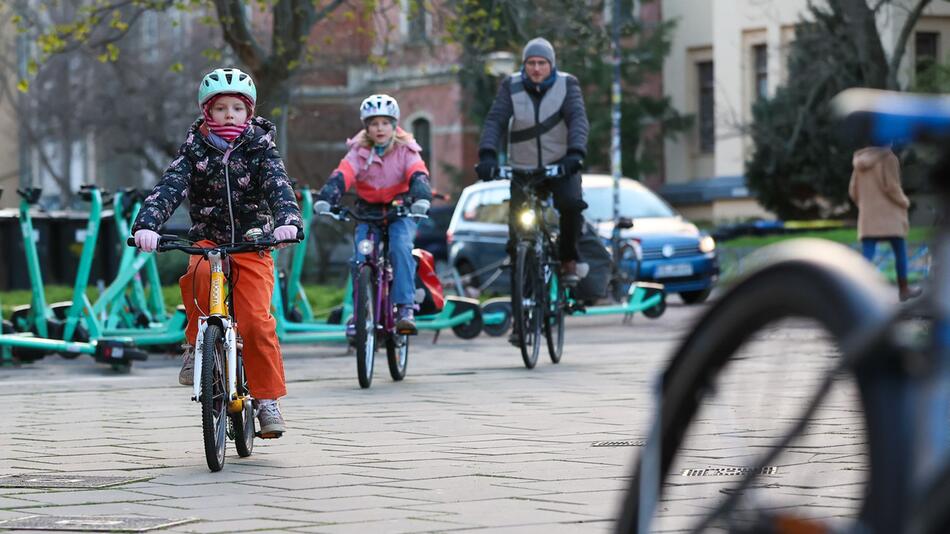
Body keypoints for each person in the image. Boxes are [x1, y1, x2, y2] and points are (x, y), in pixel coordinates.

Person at [131, 67, 303, 437]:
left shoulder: (261, 148)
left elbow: (279, 187)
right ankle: (196, 348)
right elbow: (170, 186)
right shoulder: (195, 148)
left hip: (253, 241)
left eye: (237, 108)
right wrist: (147, 225)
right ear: (207, 111)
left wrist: (287, 220)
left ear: (249, 112)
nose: (229, 115)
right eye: (221, 107)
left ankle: (267, 400)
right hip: (208, 240)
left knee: (257, 322)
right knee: (198, 275)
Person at [475, 37, 590, 288]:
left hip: (560, 166)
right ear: (524, 65)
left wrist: (575, 154)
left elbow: (578, 120)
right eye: (531, 63)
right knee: (517, 233)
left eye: (542, 63)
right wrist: (487, 155)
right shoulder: (511, 86)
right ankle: (522, 297)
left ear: (552, 65)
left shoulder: (567, 85)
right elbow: (495, 120)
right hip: (523, 169)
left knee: (571, 205)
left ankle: (569, 258)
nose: (536, 69)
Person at [313, 94, 432, 333]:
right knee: (360, 259)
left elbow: (418, 173)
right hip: (368, 214)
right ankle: (360, 315)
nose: (380, 128)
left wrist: (421, 196)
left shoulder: (406, 149)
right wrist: (327, 197)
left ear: (394, 124)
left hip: (401, 211)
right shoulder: (359, 152)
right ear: (366, 127)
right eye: (374, 123)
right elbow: (343, 174)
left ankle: (405, 308)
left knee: (400, 247)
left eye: (385, 123)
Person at [849, 145, 921, 301]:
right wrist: (904, 202)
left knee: (868, 254)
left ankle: (855, 291)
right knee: (900, 250)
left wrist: (866, 205)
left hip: (868, 216)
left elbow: (852, 190)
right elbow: (892, 187)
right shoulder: (888, 158)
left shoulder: (859, 162)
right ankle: (904, 289)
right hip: (890, 215)